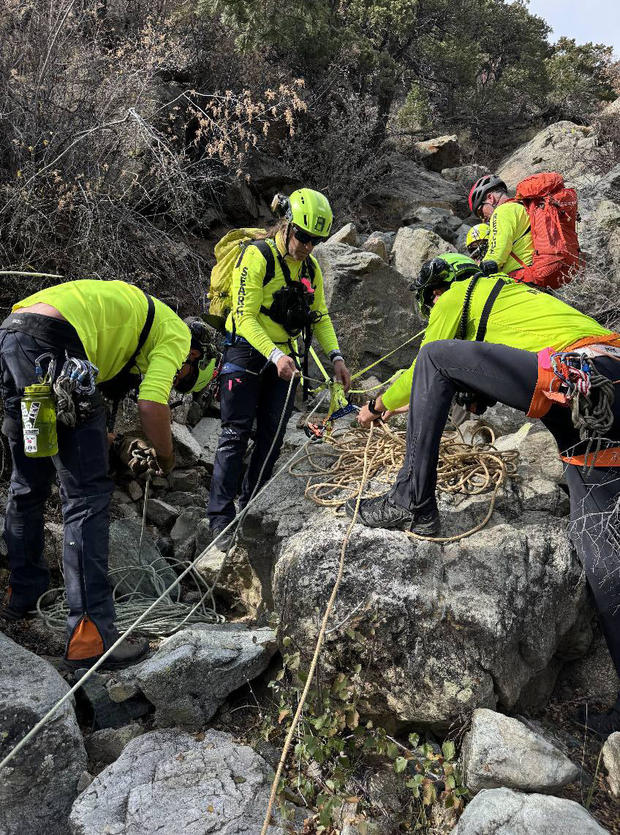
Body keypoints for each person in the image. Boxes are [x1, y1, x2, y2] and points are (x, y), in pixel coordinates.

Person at [349, 253, 620, 736]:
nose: (434, 310)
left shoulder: (458, 293)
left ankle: (411, 499)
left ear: (439, 291)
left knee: (435, 357)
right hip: (602, 398)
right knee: (600, 554)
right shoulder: (522, 302)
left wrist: (376, 405)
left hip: (582, 379)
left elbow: (429, 361)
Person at [0, 279, 214, 669]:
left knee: (27, 483)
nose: (174, 381)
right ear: (194, 357)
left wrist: (113, 442)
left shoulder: (127, 325)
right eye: (181, 379)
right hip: (58, 340)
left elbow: (87, 418)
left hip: (15, 332)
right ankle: (90, 638)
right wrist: (165, 458)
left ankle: (22, 597)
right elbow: (151, 404)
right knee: (85, 498)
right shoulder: (178, 335)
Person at [207, 188, 350, 544]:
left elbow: (320, 316)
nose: (306, 247)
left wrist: (336, 357)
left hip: (284, 359)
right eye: (302, 237)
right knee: (234, 435)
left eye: (315, 241)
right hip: (247, 353)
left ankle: (250, 504)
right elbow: (243, 315)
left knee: (272, 436)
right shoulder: (257, 257)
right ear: (287, 225)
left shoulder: (311, 268)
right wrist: (274, 355)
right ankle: (219, 519)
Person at [468, 174, 534, 278]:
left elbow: (497, 253)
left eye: (481, 212)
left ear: (490, 198)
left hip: (522, 276)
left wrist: (476, 272)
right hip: (533, 269)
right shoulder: (521, 207)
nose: (483, 219)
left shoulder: (502, 211)